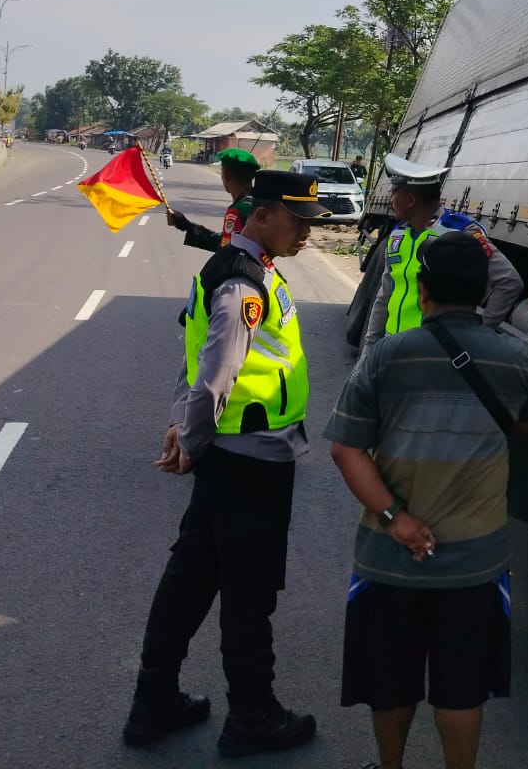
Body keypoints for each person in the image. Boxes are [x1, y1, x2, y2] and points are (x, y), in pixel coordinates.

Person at [124, 170, 332, 756]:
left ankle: (153, 703)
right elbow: (216, 371)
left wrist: (181, 423)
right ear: (261, 216)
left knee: (191, 579)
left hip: (232, 457)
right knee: (249, 592)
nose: (307, 234)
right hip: (252, 460)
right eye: (298, 222)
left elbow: (192, 358)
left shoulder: (232, 267)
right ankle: (252, 716)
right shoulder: (244, 285)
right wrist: (189, 440)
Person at [326, 234, 528, 769]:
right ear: (484, 292)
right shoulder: (519, 360)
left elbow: (346, 448)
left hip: (390, 556)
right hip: (476, 561)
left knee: (391, 682)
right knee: (462, 690)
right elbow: (523, 426)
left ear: (422, 290)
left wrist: (395, 518)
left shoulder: (386, 356)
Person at [358, 154, 523, 356]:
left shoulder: (459, 232)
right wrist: (369, 352)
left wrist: (476, 337)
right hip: (393, 352)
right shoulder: (398, 235)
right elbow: (384, 297)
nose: (391, 200)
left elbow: (509, 282)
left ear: (410, 200)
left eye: (394, 193)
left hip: (433, 357)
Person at [166, 147, 261, 252]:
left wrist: (185, 225)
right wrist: (185, 224)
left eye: (221, 172)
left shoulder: (240, 208)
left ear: (226, 176)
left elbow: (225, 248)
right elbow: (222, 240)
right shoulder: (257, 202)